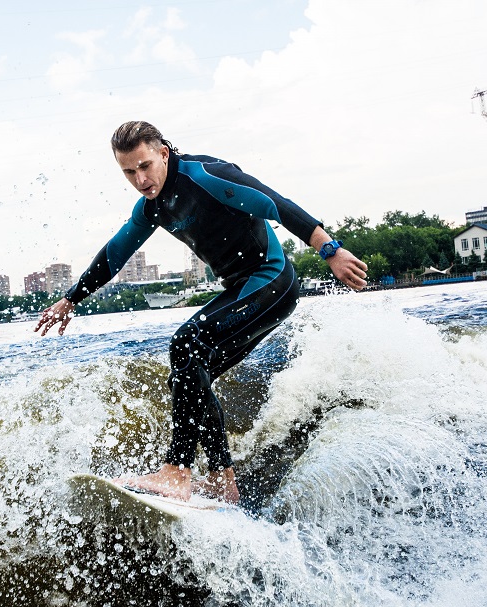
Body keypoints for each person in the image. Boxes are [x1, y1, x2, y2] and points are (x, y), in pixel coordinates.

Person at [35, 121, 367, 504]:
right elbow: (115, 253)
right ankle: (223, 480)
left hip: (270, 281)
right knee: (189, 374)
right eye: (128, 172)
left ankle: (176, 471)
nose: (140, 179)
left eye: (144, 166)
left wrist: (331, 251)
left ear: (163, 153)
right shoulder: (151, 208)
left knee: (186, 343)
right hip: (242, 290)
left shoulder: (207, 175)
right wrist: (71, 299)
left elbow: (277, 204)